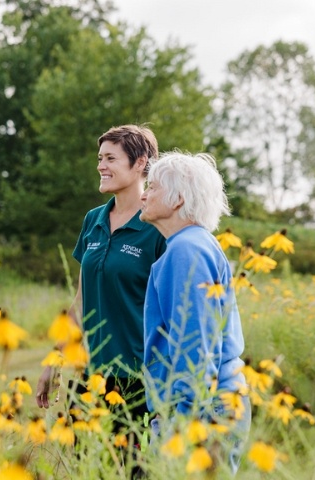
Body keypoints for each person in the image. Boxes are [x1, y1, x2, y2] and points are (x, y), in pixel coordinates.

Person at [36, 125, 166, 430]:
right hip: (89, 374)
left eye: (110, 159)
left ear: (139, 163)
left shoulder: (158, 225)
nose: (100, 166)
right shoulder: (93, 220)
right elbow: (81, 301)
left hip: (138, 378)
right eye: (100, 158)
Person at [139, 151, 250, 474]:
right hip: (213, 402)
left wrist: (181, 416)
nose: (144, 194)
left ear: (178, 199)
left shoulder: (186, 250)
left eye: (153, 187)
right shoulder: (196, 243)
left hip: (202, 408)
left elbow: (195, 342)